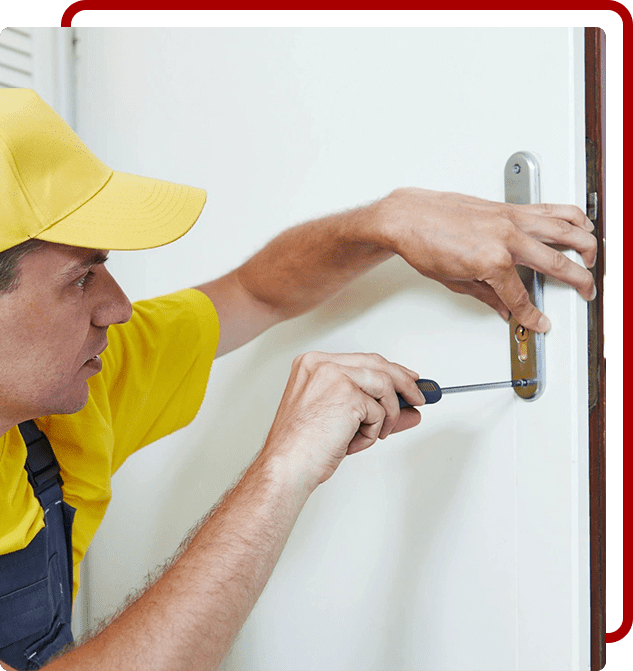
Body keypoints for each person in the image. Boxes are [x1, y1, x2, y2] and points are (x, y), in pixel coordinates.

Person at [0, 89, 597, 671]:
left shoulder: (75, 392)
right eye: (81, 279)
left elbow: (254, 292)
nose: (119, 308)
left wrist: (387, 222)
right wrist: (281, 470)